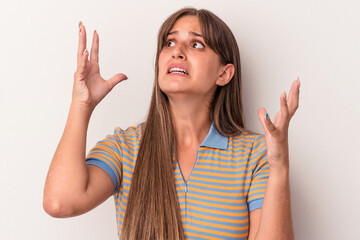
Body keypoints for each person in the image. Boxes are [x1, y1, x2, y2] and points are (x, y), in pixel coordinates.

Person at [43, 7, 299, 240]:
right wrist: (81, 105)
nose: (177, 51)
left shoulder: (255, 153)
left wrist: (279, 166)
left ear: (224, 73)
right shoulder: (126, 148)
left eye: (196, 44)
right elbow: (59, 202)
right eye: (169, 42)